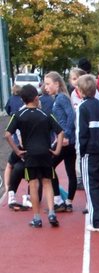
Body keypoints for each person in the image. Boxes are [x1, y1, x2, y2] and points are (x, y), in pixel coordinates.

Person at [5, 84, 64, 228]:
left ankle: (37, 218)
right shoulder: (46, 114)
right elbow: (60, 132)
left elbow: (7, 134)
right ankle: (51, 213)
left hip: (29, 154)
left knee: (33, 184)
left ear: (22, 100)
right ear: (37, 98)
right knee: (47, 182)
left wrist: (17, 151)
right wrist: (57, 150)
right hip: (45, 153)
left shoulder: (18, 115)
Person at [77, 74, 99, 231]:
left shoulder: (82, 107)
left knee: (91, 187)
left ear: (80, 91)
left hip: (90, 152)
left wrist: (81, 152)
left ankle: (97, 221)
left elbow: (81, 132)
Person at [44, 71, 77, 212]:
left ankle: (58, 200)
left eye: (48, 84)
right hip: (66, 140)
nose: (45, 87)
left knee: (48, 166)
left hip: (65, 141)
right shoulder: (59, 98)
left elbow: (71, 115)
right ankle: (68, 202)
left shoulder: (61, 98)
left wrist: (66, 135)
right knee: (70, 171)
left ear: (56, 84)